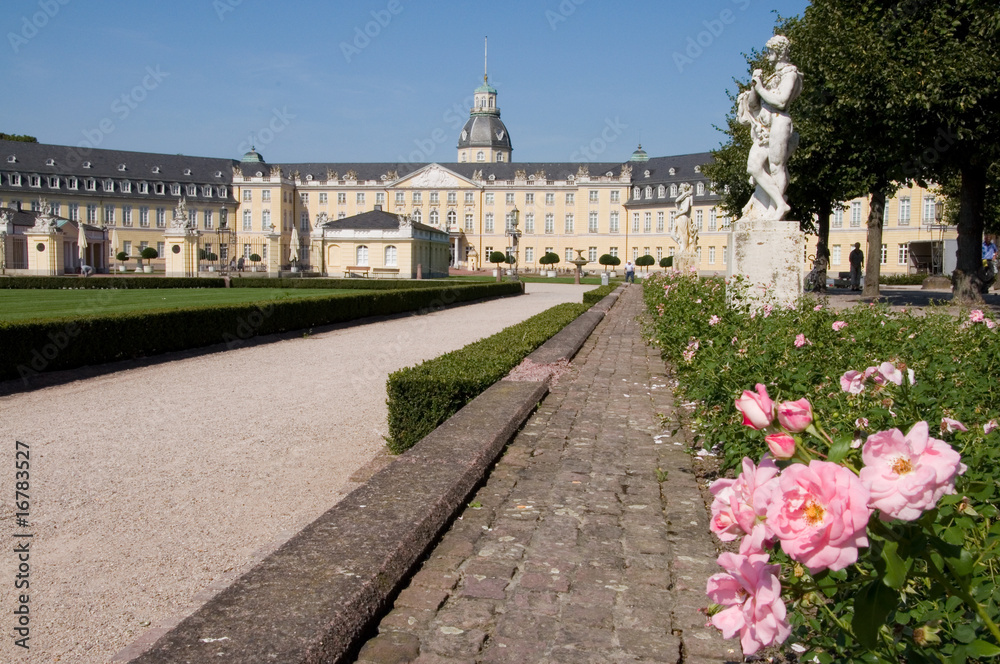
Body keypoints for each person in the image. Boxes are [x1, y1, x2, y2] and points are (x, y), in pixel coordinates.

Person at [736, 34, 803, 221]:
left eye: (770, 52)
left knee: (776, 167)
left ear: (779, 52)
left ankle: (776, 208)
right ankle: (780, 203)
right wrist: (755, 85)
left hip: (779, 122)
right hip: (763, 128)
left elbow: (781, 101)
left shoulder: (790, 73)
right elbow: (753, 104)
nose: (767, 56)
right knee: (753, 166)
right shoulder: (772, 76)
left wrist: (761, 89)